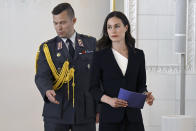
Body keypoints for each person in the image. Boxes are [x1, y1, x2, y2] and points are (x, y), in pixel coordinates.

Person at [35, 3, 98, 131]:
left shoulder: (91, 43)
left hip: (85, 113)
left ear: (74, 21)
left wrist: (99, 108)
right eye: (55, 23)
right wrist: (47, 90)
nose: (59, 27)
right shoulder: (47, 48)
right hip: (56, 111)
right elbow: (42, 76)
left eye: (63, 23)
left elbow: (99, 78)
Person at [89, 11, 155, 131]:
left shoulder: (138, 55)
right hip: (109, 118)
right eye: (109, 27)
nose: (113, 30)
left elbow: (141, 85)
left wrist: (146, 95)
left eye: (117, 26)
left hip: (134, 119)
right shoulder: (99, 56)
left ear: (126, 27)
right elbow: (93, 88)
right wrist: (110, 101)